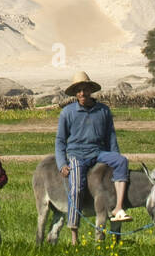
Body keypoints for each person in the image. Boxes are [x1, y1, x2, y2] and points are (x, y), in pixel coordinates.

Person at [56, 71, 130, 244]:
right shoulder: (67, 113)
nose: (82, 93)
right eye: (79, 90)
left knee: (122, 161)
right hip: (77, 155)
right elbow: (60, 140)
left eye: (85, 89)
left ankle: (118, 208)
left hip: (98, 152)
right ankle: (74, 232)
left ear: (91, 90)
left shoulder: (103, 111)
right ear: (75, 93)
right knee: (76, 189)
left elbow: (111, 136)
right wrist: (62, 163)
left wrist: (114, 155)